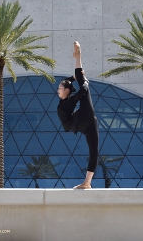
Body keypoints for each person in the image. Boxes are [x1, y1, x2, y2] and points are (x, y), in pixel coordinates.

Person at [57, 41, 99, 189]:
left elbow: (74, 86)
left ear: (66, 91)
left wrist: (78, 79)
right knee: (83, 84)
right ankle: (78, 55)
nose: (58, 89)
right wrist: (85, 82)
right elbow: (81, 92)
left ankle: (87, 183)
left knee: (94, 152)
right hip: (78, 121)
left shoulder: (65, 100)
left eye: (60, 88)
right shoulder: (66, 103)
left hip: (84, 122)